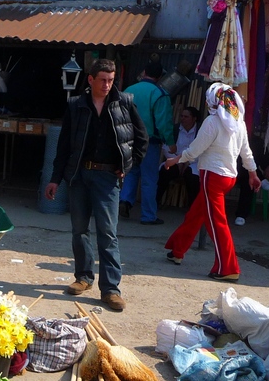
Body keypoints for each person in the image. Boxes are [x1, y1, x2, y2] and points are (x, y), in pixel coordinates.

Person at [44, 58, 148, 311]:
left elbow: (141, 138)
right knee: (79, 230)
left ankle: (111, 289)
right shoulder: (76, 105)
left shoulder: (124, 103)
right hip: (80, 175)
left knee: (107, 233)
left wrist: (126, 166)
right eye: (102, 79)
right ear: (90, 80)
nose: (107, 84)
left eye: (111, 80)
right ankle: (83, 277)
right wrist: (55, 179)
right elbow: (64, 145)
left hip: (107, 178)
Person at [164, 83, 260, 281]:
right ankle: (177, 250)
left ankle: (228, 268)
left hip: (212, 177)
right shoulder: (238, 121)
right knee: (196, 214)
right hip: (229, 177)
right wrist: (252, 173)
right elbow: (246, 152)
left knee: (217, 224)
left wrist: (175, 159)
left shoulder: (211, 122)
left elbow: (195, 150)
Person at [119, 60, 174, 225]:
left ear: (144, 72)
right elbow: (163, 122)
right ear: (159, 77)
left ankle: (125, 201)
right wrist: (170, 142)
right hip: (149, 143)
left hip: (128, 141)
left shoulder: (128, 90)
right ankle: (148, 216)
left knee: (131, 172)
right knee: (149, 179)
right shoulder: (160, 94)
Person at [156, 106, 201, 208]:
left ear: (194, 119)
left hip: (193, 162)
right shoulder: (174, 129)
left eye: (186, 116)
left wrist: (187, 162)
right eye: (181, 116)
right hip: (175, 161)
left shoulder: (200, 132)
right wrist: (178, 161)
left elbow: (202, 151)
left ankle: (192, 208)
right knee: (165, 172)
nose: (183, 119)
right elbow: (166, 148)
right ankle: (155, 202)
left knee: (192, 178)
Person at [233, 134, 269, 226]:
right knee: (247, 170)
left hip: (245, 175)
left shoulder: (256, 141)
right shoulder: (228, 136)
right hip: (229, 171)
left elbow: (264, 158)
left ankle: (241, 215)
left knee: (249, 179)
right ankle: (260, 178)